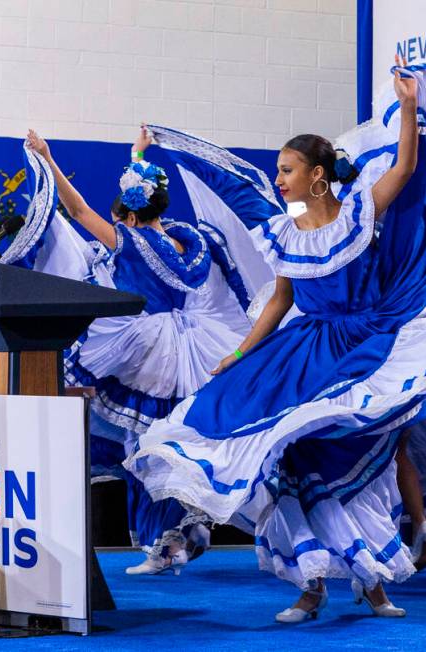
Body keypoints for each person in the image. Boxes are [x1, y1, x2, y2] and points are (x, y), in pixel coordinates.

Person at [126, 55, 426, 622]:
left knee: (363, 459)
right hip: (304, 353)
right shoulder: (285, 235)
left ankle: (374, 585)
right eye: (278, 169)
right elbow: (282, 300)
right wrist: (240, 354)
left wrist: (410, 106)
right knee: (291, 457)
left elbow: (406, 169)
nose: (279, 178)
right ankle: (312, 588)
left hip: (364, 346)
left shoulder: (360, 211)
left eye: (287, 169)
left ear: (317, 174)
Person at [24, 127, 255, 575]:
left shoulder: (128, 243)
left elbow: (76, 209)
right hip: (193, 347)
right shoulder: (189, 242)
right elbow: (144, 205)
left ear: (127, 213)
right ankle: (187, 525)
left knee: (142, 445)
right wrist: (139, 155)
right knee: (177, 437)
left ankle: (171, 538)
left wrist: (48, 160)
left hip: (146, 350)